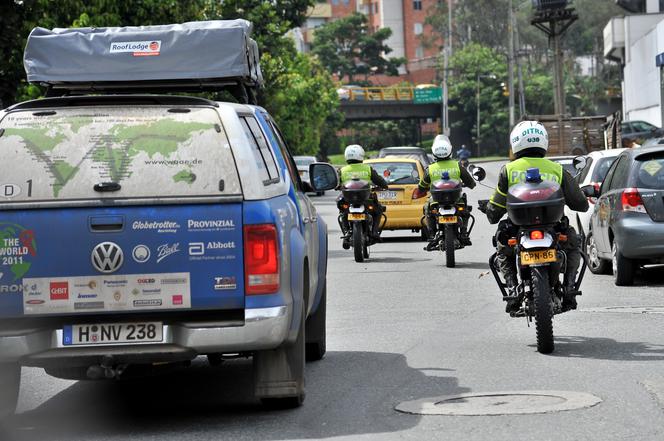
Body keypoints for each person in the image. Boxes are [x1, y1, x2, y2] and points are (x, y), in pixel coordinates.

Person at [479, 121, 588, 313]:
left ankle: (512, 289)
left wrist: (488, 209)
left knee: (503, 247)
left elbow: (495, 210)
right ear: (543, 140)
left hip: (518, 228)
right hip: (554, 228)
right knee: (573, 244)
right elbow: (580, 204)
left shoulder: (509, 170)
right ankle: (570, 288)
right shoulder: (556, 169)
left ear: (516, 142)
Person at [416, 135, 476, 250]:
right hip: (456, 199)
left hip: (436, 200)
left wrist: (422, 188)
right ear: (450, 151)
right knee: (465, 210)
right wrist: (471, 184)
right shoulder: (457, 165)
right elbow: (470, 182)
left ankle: (433, 235)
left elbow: (422, 186)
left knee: (427, 208)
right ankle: (463, 233)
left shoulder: (431, 169)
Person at [337, 144, 388, 247]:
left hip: (348, 199)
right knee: (378, 210)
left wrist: (338, 187)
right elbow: (380, 181)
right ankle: (374, 232)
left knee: (342, 212)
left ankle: (346, 231)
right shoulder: (368, 169)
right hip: (366, 198)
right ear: (361, 155)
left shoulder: (342, 170)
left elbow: (336, 184)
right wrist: (384, 186)